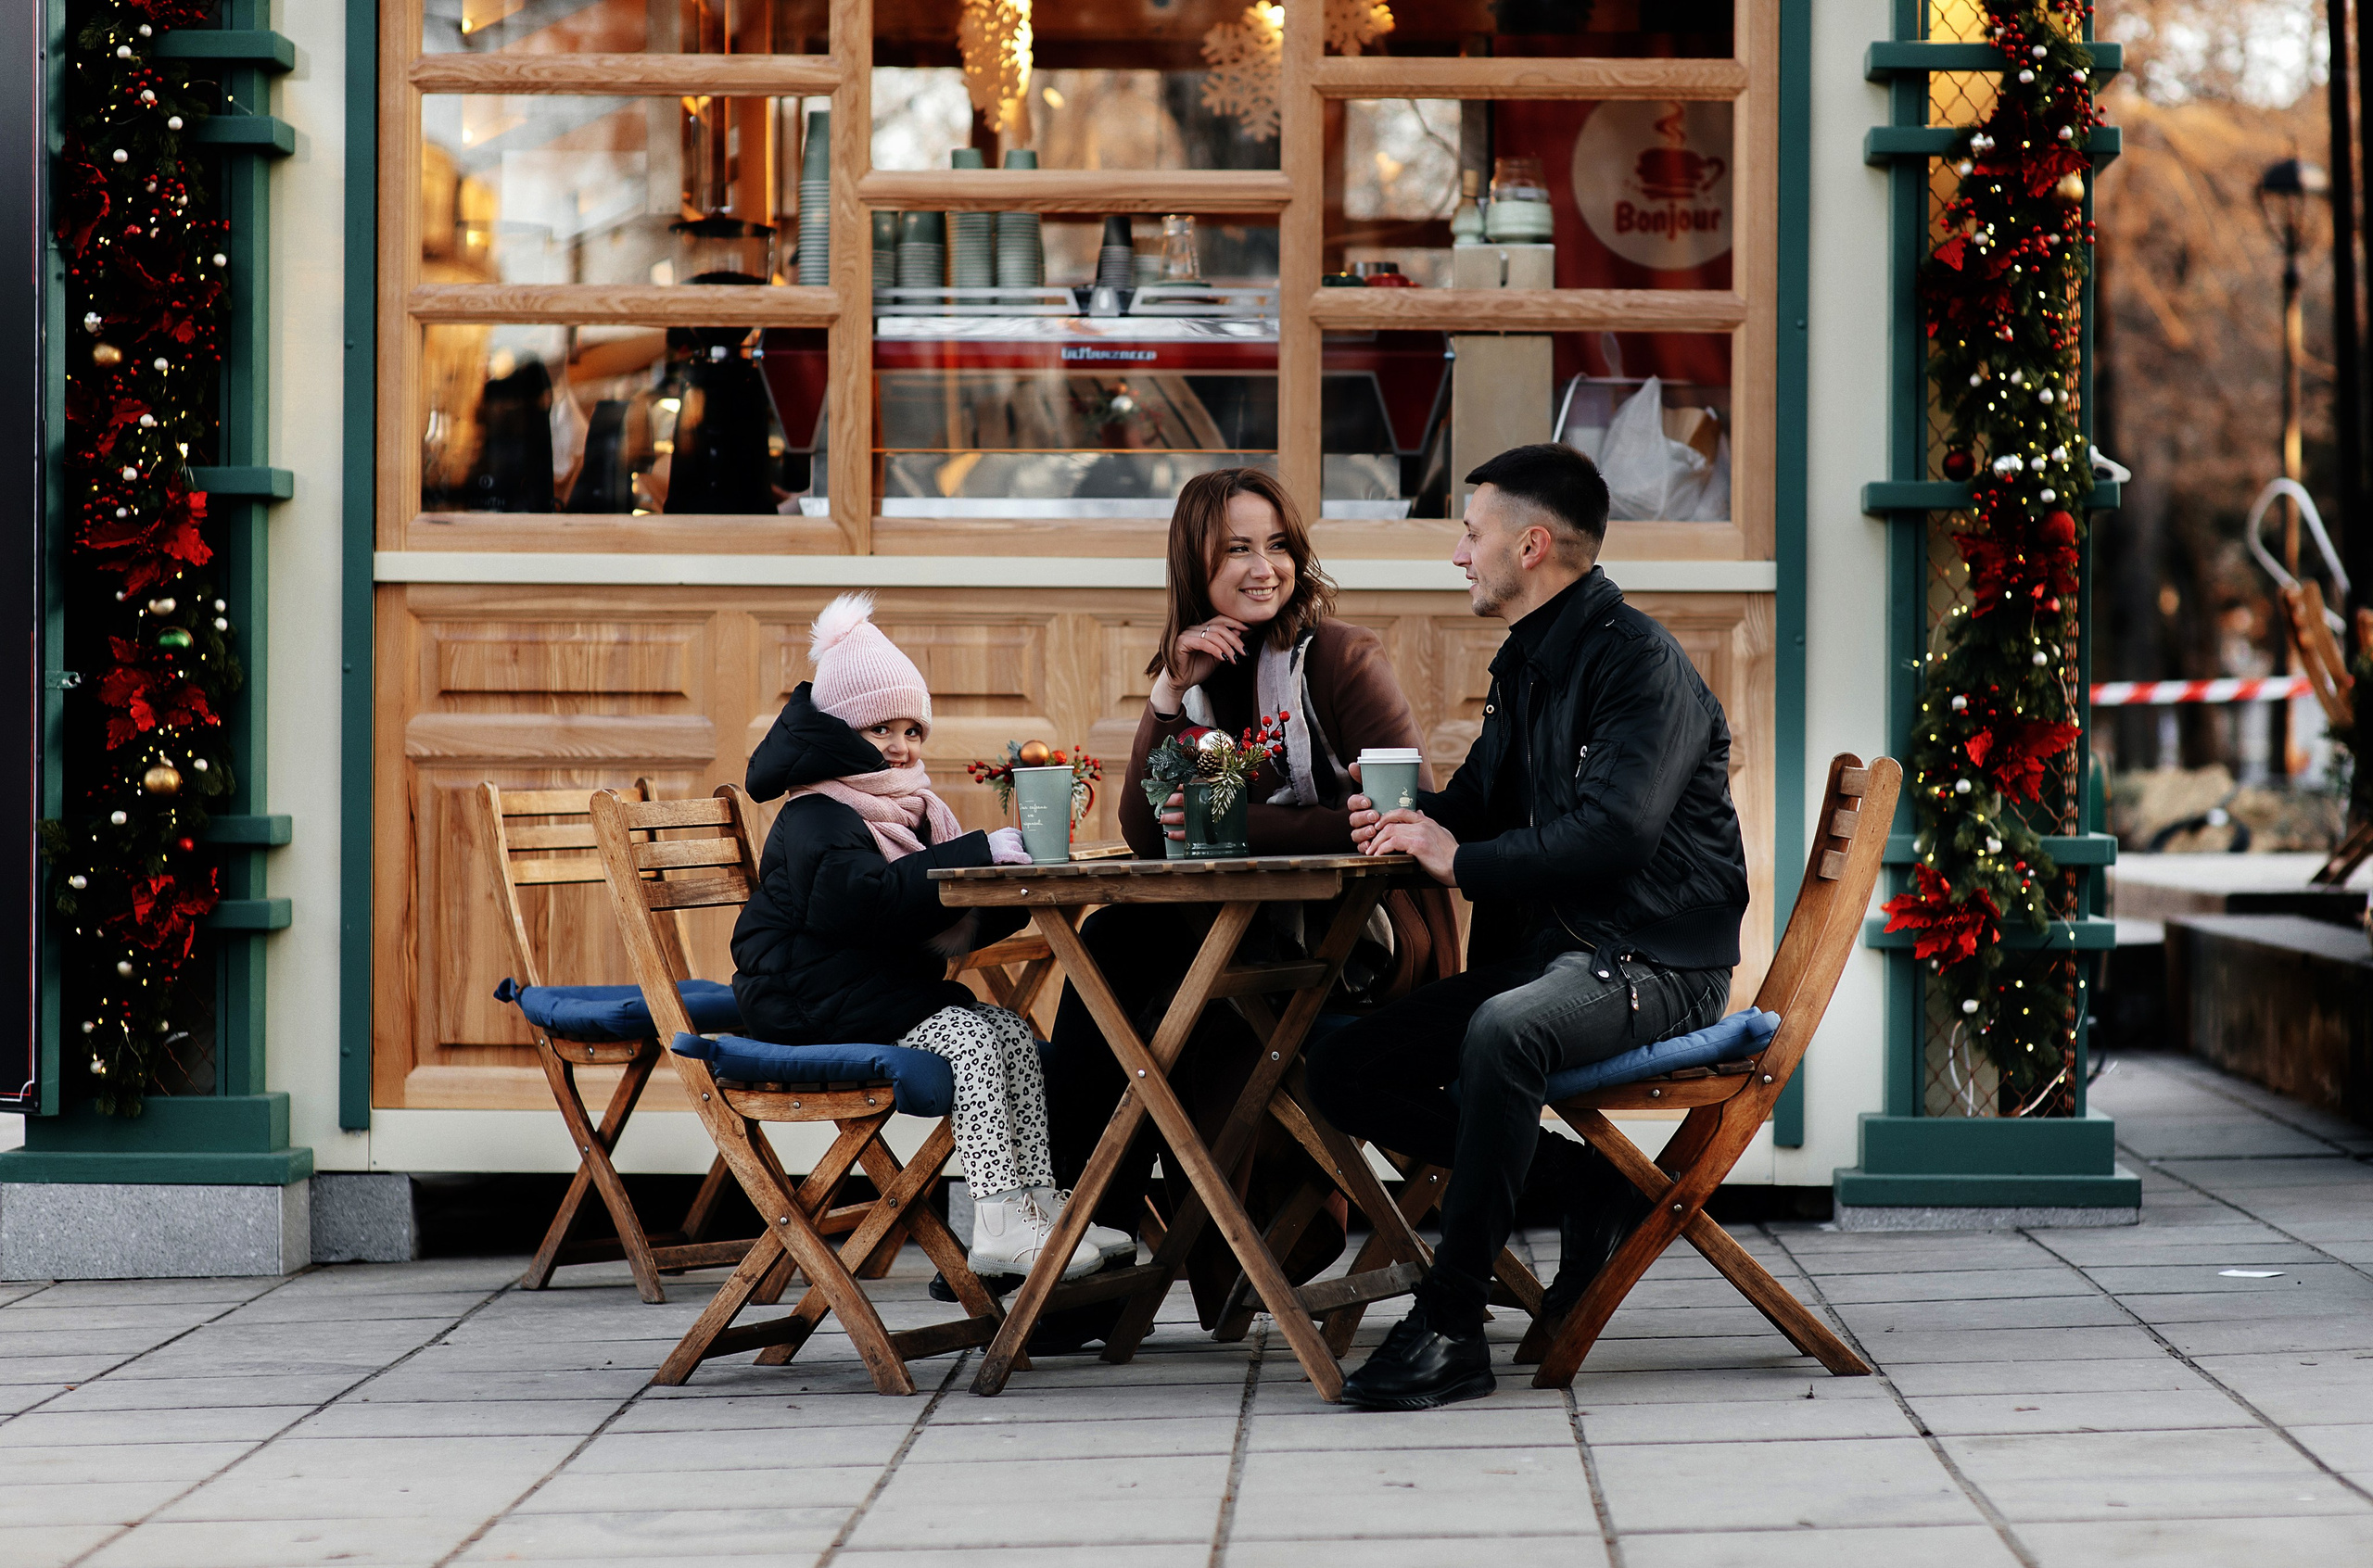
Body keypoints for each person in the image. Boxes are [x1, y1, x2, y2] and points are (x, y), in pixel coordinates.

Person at [1306, 443, 1750, 1410]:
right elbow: (1477, 802)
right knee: (1341, 1066)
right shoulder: (1529, 661)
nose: (1459, 557)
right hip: (1569, 957)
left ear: (1534, 545)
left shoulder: (1637, 663)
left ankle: (1451, 1325)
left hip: (1654, 959)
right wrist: (1407, 816)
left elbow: (1616, 834)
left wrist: (1455, 859)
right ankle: (1580, 1185)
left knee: (1502, 1031)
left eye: (1471, 535)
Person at [1043, 467, 1455, 1333]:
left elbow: (1397, 818)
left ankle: (1097, 1247)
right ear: (1195, 563)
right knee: (1113, 944)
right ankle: (1084, 1244)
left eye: (1276, 545)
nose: (1263, 566)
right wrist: (1165, 694)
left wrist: (1243, 821)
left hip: (1366, 946)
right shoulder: (1200, 676)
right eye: (1236, 548)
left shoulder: (1341, 658)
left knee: (1140, 968)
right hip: (1244, 940)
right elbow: (1153, 834)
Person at [731, 593, 1135, 1283]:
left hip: (867, 990)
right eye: (880, 727)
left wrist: (1007, 888)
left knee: (1008, 1030)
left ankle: (1040, 1207)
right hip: (805, 999)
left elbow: (928, 913)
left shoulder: (904, 807)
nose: (900, 744)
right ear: (838, 730)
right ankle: (999, 1223)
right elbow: (862, 905)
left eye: (913, 729)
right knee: (975, 1040)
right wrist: (974, 851)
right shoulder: (817, 812)